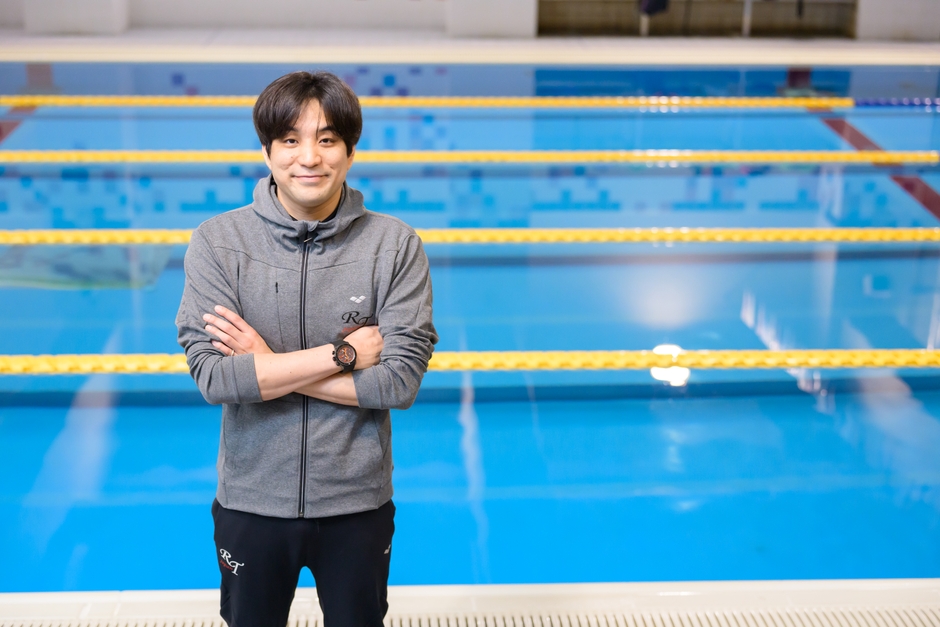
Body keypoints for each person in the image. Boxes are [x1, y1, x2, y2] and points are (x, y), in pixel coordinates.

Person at [175, 70, 438, 627]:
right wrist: (342, 355)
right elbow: (216, 380)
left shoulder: (394, 246)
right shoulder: (219, 243)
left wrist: (264, 367)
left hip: (356, 504)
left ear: (350, 151)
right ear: (267, 152)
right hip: (251, 501)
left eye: (327, 139)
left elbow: (398, 383)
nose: (309, 158)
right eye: (291, 140)